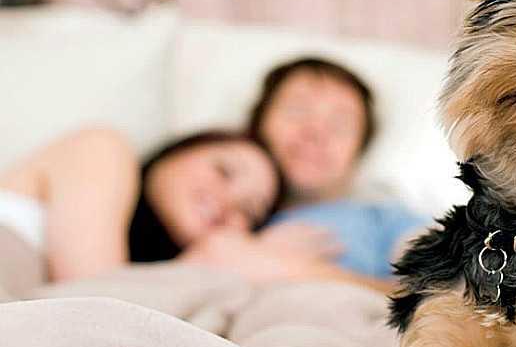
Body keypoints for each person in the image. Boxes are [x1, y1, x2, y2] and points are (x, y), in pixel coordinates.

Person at [0, 128, 340, 283]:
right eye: (224, 171)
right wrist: (207, 262)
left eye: (248, 212)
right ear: (176, 151)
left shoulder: (150, 277)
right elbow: (91, 305)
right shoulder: (103, 149)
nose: (227, 203)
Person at [248, 57, 429, 293]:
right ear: (257, 123)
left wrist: (278, 267)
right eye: (297, 111)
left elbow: (440, 292)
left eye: (339, 125)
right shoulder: (221, 207)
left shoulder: (385, 219)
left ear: (358, 153)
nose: (316, 131)